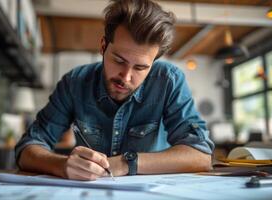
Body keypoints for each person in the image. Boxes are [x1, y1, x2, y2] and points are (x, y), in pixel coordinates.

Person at [15, 0, 214, 181]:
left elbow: (200, 155)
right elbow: (27, 147)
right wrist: (62, 165)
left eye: (140, 67)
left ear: (153, 63)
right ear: (103, 46)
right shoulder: (74, 83)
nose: (126, 77)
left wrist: (126, 163)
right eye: (119, 60)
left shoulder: (169, 80)